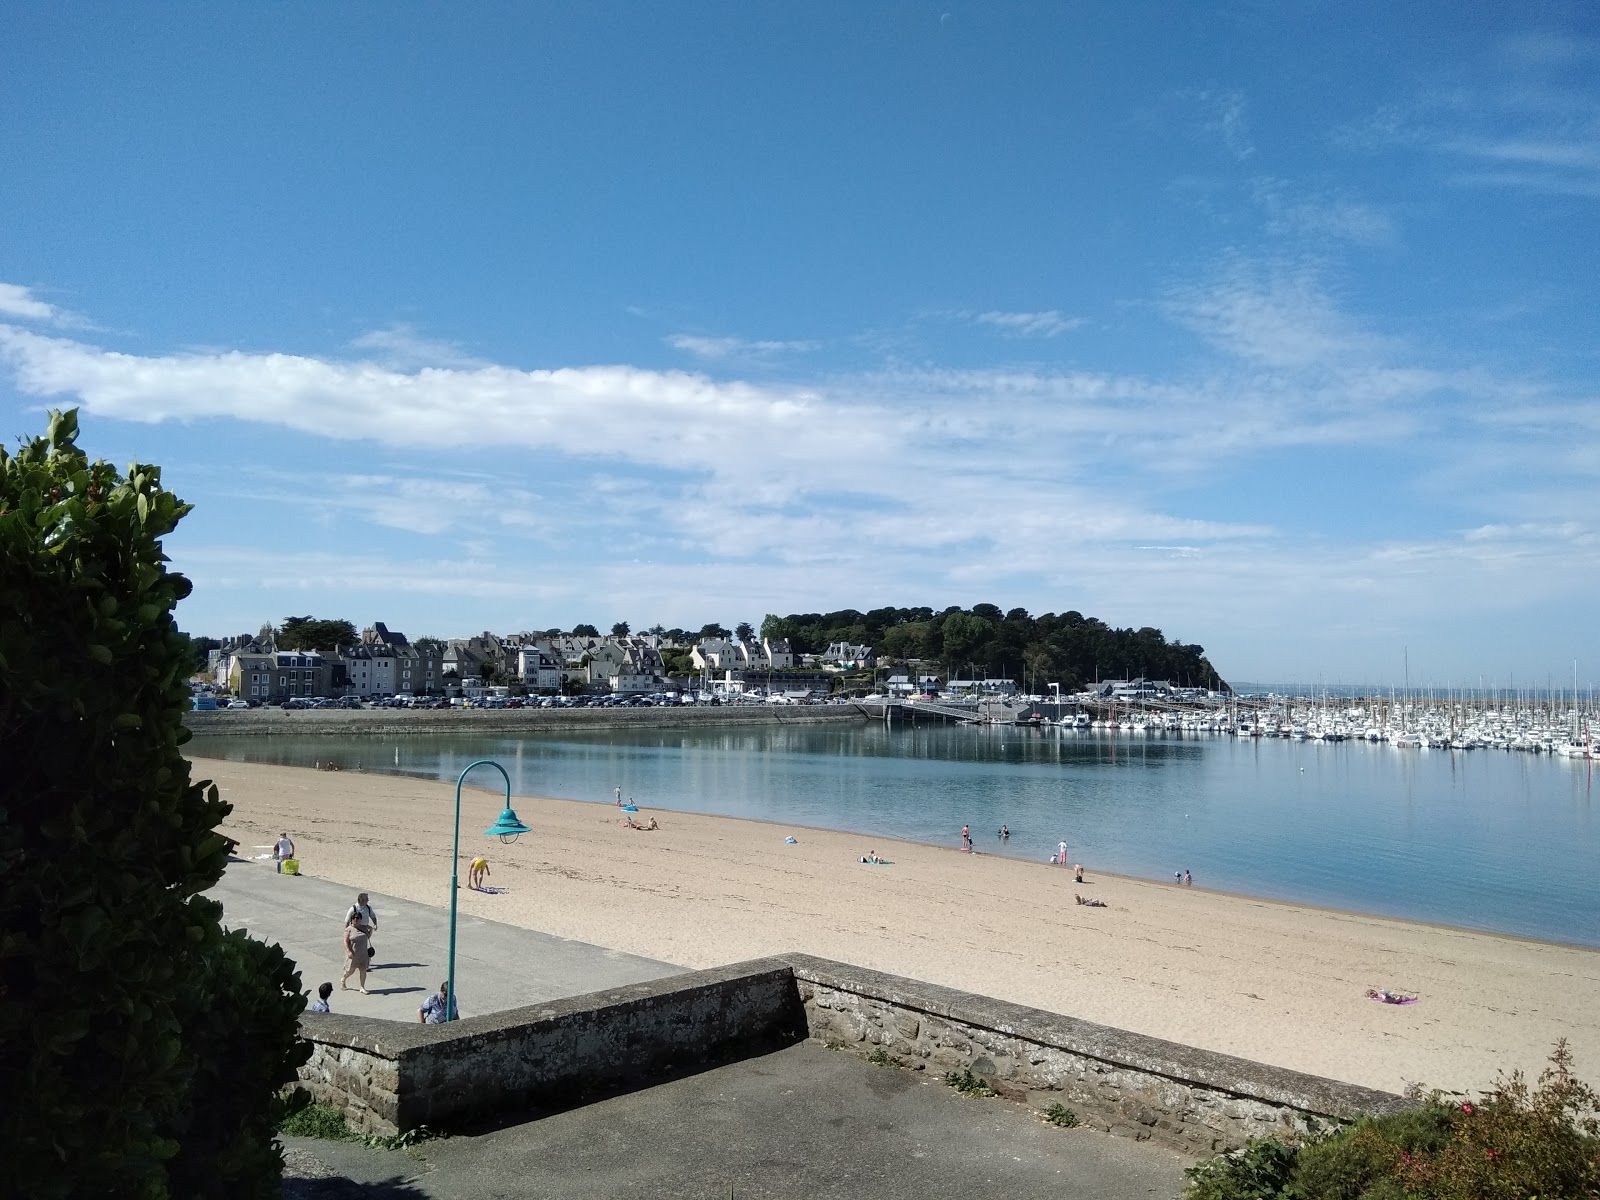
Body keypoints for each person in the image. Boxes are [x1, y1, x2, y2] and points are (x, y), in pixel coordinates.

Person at [340, 908, 370, 993]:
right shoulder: (348, 929)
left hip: (363, 954)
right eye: (354, 918)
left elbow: (367, 937)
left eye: (357, 918)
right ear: (352, 920)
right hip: (353, 954)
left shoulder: (363, 928)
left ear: (360, 919)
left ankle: (362, 987)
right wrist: (348, 951)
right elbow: (345, 941)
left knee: (363, 970)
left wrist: (370, 930)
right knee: (350, 971)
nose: (356, 920)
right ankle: (343, 979)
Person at [345, 893, 378, 960]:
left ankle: (365, 962)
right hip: (355, 930)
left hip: (365, 929)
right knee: (354, 946)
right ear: (361, 900)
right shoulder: (353, 908)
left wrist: (375, 924)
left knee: (364, 946)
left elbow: (373, 916)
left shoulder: (368, 908)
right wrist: (346, 931)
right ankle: (352, 960)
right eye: (366, 899)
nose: (368, 900)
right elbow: (347, 920)